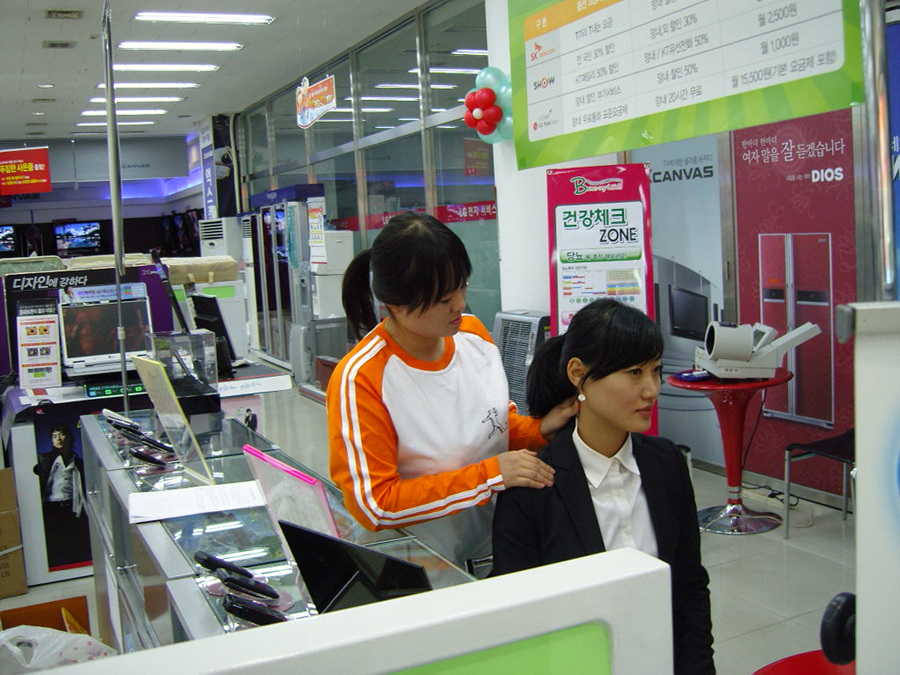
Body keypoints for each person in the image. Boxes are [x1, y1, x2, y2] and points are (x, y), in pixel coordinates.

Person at [327, 212, 576, 573]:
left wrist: (539, 430)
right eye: (444, 298)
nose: (460, 304)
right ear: (395, 302)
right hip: (421, 569)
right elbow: (375, 504)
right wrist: (489, 476)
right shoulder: (362, 378)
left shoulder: (473, 335)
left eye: (462, 286)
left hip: (494, 551)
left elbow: (493, 425)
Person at [491, 299, 714, 674]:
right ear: (578, 374)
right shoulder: (533, 487)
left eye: (656, 371)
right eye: (634, 372)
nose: (651, 390)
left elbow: (689, 585)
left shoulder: (667, 465)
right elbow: (520, 621)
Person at [33, 422, 91, 570]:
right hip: (51, 509)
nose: (58, 438)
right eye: (54, 436)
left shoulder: (78, 463)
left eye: (61, 434)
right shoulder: (44, 460)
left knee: (76, 545)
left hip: (73, 508)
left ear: (69, 438)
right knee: (55, 545)